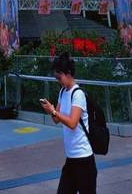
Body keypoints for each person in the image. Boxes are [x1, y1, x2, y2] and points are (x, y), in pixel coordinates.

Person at [41, 52, 97, 194]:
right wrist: (51, 110)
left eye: (59, 77)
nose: (58, 81)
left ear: (68, 73)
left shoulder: (77, 94)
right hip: (71, 158)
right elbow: (56, 119)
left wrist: (54, 112)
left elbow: (72, 123)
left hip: (83, 158)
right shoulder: (62, 92)